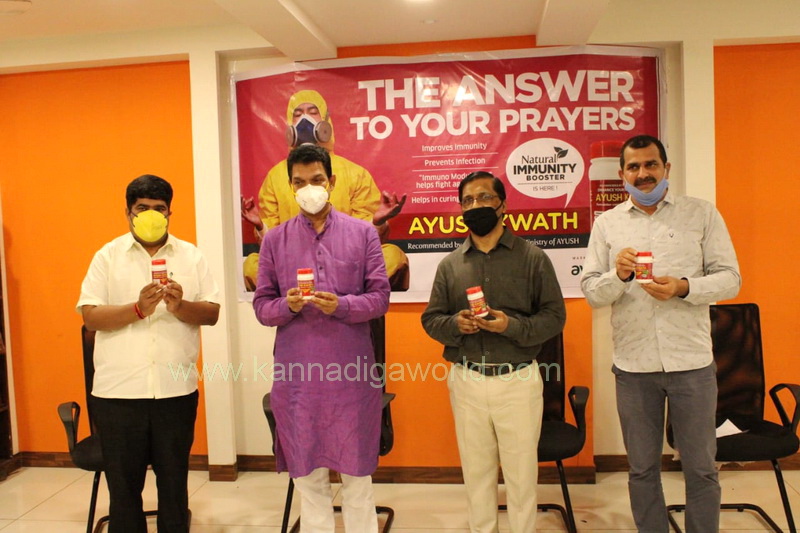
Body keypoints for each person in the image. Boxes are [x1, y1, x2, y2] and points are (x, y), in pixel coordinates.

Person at [581, 134, 741, 533]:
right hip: (634, 367)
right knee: (641, 469)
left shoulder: (701, 214)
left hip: (691, 364)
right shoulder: (607, 224)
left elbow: (731, 279)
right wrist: (618, 275)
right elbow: (592, 293)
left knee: (701, 468)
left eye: (651, 164)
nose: (643, 174)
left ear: (666, 168)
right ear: (622, 174)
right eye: (634, 167)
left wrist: (684, 287)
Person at [252, 144, 390, 532]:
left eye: (316, 180)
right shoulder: (274, 240)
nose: (308, 188)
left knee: (357, 478)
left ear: (330, 181)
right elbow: (262, 306)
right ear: (290, 186)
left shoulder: (363, 233)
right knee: (308, 480)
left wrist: (342, 305)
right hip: (298, 380)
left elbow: (380, 298)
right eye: (299, 182)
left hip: (350, 377)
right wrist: (288, 306)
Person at [421, 171, 566, 533]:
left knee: (521, 478)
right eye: (468, 200)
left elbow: (555, 317)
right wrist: (456, 324)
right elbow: (431, 320)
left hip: (517, 380)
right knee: (477, 475)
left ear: (503, 204)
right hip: (467, 380)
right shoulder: (450, 265)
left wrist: (510, 326)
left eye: (484, 197)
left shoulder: (533, 258)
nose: (476, 206)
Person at [77, 174, 220, 532]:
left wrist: (180, 305)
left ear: (170, 212)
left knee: (174, 486)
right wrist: (138, 309)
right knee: (124, 491)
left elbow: (211, 313)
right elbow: (90, 316)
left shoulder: (191, 256)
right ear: (128, 212)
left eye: (159, 208)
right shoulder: (107, 256)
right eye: (142, 208)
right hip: (118, 394)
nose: (151, 215)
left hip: (175, 392)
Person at [241, 89, 409, 291]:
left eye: (313, 112)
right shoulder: (275, 176)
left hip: (346, 265)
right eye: (298, 114)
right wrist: (260, 226)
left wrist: (377, 222)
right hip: (294, 264)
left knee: (393, 256)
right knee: (252, 265)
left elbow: (368, 244)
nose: (305, 119)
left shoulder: (355, 173)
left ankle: (340, 288)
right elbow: (271, 246)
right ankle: (304, 290)